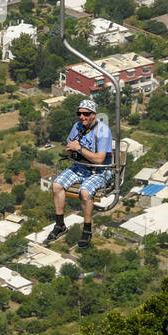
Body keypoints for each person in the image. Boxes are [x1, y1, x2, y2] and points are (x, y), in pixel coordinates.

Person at [46, 99, 113, 249]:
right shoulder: (77, 127)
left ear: (93, 115)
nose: (81, 117)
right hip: (80, 167)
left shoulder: (103, 131)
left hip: (99, 170)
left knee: (84, 192)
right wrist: (71, 150)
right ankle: (60, 225)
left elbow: (100, 159)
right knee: (57, 185)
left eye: (85, 114)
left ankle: (87, 229)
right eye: (79, 114)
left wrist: (79, 149)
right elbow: (70, 146)